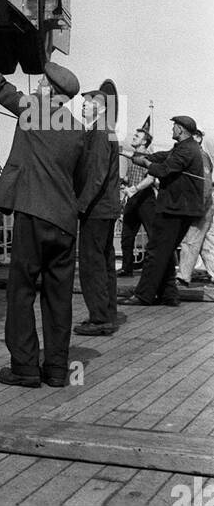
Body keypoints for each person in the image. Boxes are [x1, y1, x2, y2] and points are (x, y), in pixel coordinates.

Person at [0, 22, 107, 389]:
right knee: (58, 297)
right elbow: (86, 181)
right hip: (65, 223)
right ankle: (57, 369)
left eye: (41, 82)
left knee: (21, 291)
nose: (36, 85)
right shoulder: (78, 130)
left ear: (47, 90)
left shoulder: (33, 110)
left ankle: (24, 367)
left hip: (34, 216)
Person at [120, 116, 205, 306]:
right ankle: (169, 295)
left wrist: (145, 163)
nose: (172, 129)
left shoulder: (186, 150)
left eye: (174, 126)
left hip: (174, 209)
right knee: (164, 251)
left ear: (181, 130)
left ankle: (143, 295)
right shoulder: (185, 148)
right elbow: (161, 156)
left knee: (155, 251)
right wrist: (134, 155)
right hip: (180, 209)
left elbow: (162, 169)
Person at [76, 80, 121, 336]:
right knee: (105, 263)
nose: (82, 107)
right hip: (107, 209)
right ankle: (107, 313)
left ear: (101, 108)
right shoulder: (107, 130)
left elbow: (96, 175)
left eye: (87, 103)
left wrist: (80, 206)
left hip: (96, 209)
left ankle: (99, 319)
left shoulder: (100, 132)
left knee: (92, 264)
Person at [119, 119, 157, 275]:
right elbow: (132, 176)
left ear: (145, 141)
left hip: (145, 200)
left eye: (137, 136)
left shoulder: (149, 157)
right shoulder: (134, 156)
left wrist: (134, 188)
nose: (133, 137)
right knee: (127, 236)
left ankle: (153, 270)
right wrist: (123, 183)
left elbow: (150, 179)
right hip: (133, 199)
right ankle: (127, 269)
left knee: (153, 235)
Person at [177, 125, 214, 285]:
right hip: (204, 202)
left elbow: (205, 183)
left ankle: (184, 275)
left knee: (191, 239)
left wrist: (201, 204)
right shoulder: (201, 155)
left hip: (202, 203)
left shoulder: (200, 155)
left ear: (198, 138)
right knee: (205, 241)